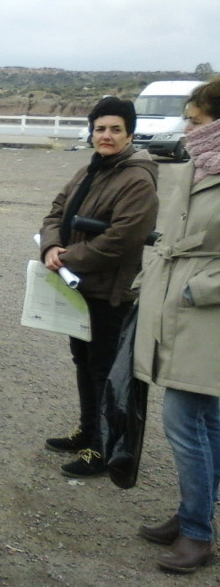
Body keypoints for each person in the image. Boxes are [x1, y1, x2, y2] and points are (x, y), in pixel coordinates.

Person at [38, 95, 158, 472]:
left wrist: (67, 257)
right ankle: (87, 430)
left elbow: (122, 239)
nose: (105, 136)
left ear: (130, 134)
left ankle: (104, 448)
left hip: (110, 292)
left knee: (105, 370)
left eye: (115, 130)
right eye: (100, 129)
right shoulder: (91, 170)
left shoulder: (137, 178)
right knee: (84, 361)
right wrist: (52, 245)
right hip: (80, 287)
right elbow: (57, 211)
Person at [133, 79, 220, 574]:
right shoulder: (198, 165)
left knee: (185, 421)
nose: (188, 128)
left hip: (206, 312)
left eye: (197, 120)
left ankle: (197, 533)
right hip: (178, 301)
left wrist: (197, 290)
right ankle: (194, 514)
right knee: (205, 418)